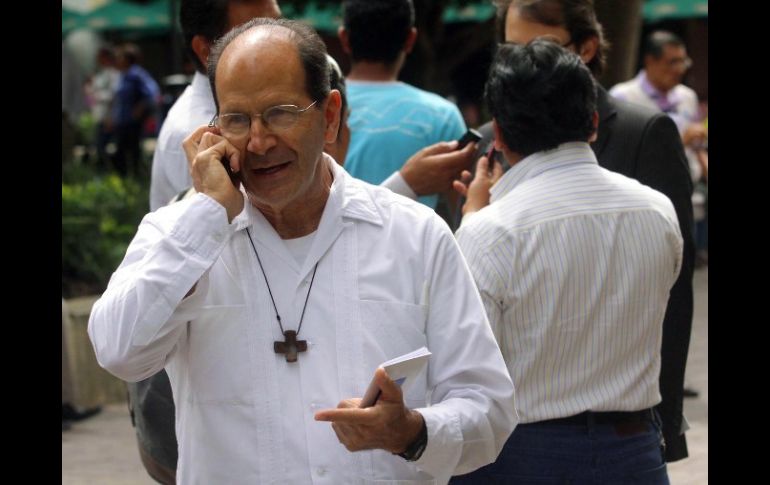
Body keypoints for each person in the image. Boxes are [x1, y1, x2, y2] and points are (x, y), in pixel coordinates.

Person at [88, 18, 516, 483]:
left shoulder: (414, 237)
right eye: (236, 119)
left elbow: (489, 407)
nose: (258, 141)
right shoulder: (179, 236)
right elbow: (118, 351)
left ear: (329, 116)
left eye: (280, 113)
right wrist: (207, 216)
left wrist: (413, 431)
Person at [452, 39, 682, 484]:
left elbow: (469, 367)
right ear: (593, 122)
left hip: (522, 455)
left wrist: (474, 219)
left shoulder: (491, 231)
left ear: (496, 133)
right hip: (634, 449)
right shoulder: (657, 210)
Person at [150, 0, 282, 211]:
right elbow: (222, 230)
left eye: (279, 27)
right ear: (205, 51)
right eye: (253, 34)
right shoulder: (198, 132)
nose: (277, 44)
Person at [339, 0, 467, 210]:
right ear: (410, 39)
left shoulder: (320, 108)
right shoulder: (442, 116)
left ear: (344, 38)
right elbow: (463, 206)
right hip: (416, 243)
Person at [610, 30, 708, 269]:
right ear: (650, 61)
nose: (680, 68)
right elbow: (621, 153)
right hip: (642, 200)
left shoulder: (687, 97)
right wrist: (679, 141)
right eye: (672, 62)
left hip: (685, 196)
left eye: (683, 61)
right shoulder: (623, 97)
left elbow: (695, 147)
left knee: (684, 270)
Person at [111, 43, 161, 177]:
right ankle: (127, 179)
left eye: (121, 57)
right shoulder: (123, 75)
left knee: (132, 151)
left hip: (132, 122)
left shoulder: (136, 74)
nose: (118, 60)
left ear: (127, 59)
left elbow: (152, 93)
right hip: (122, 121)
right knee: (121, 151)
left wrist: (139, 108)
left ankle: (136, 178)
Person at [88, 45, 121, 166]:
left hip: (108, 117)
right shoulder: (100, 73)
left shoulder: (114, 74)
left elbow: (113, 96)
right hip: (100, 116)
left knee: (103, 146)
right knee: (99, 146)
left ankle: (109, 170)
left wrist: (110, 117)